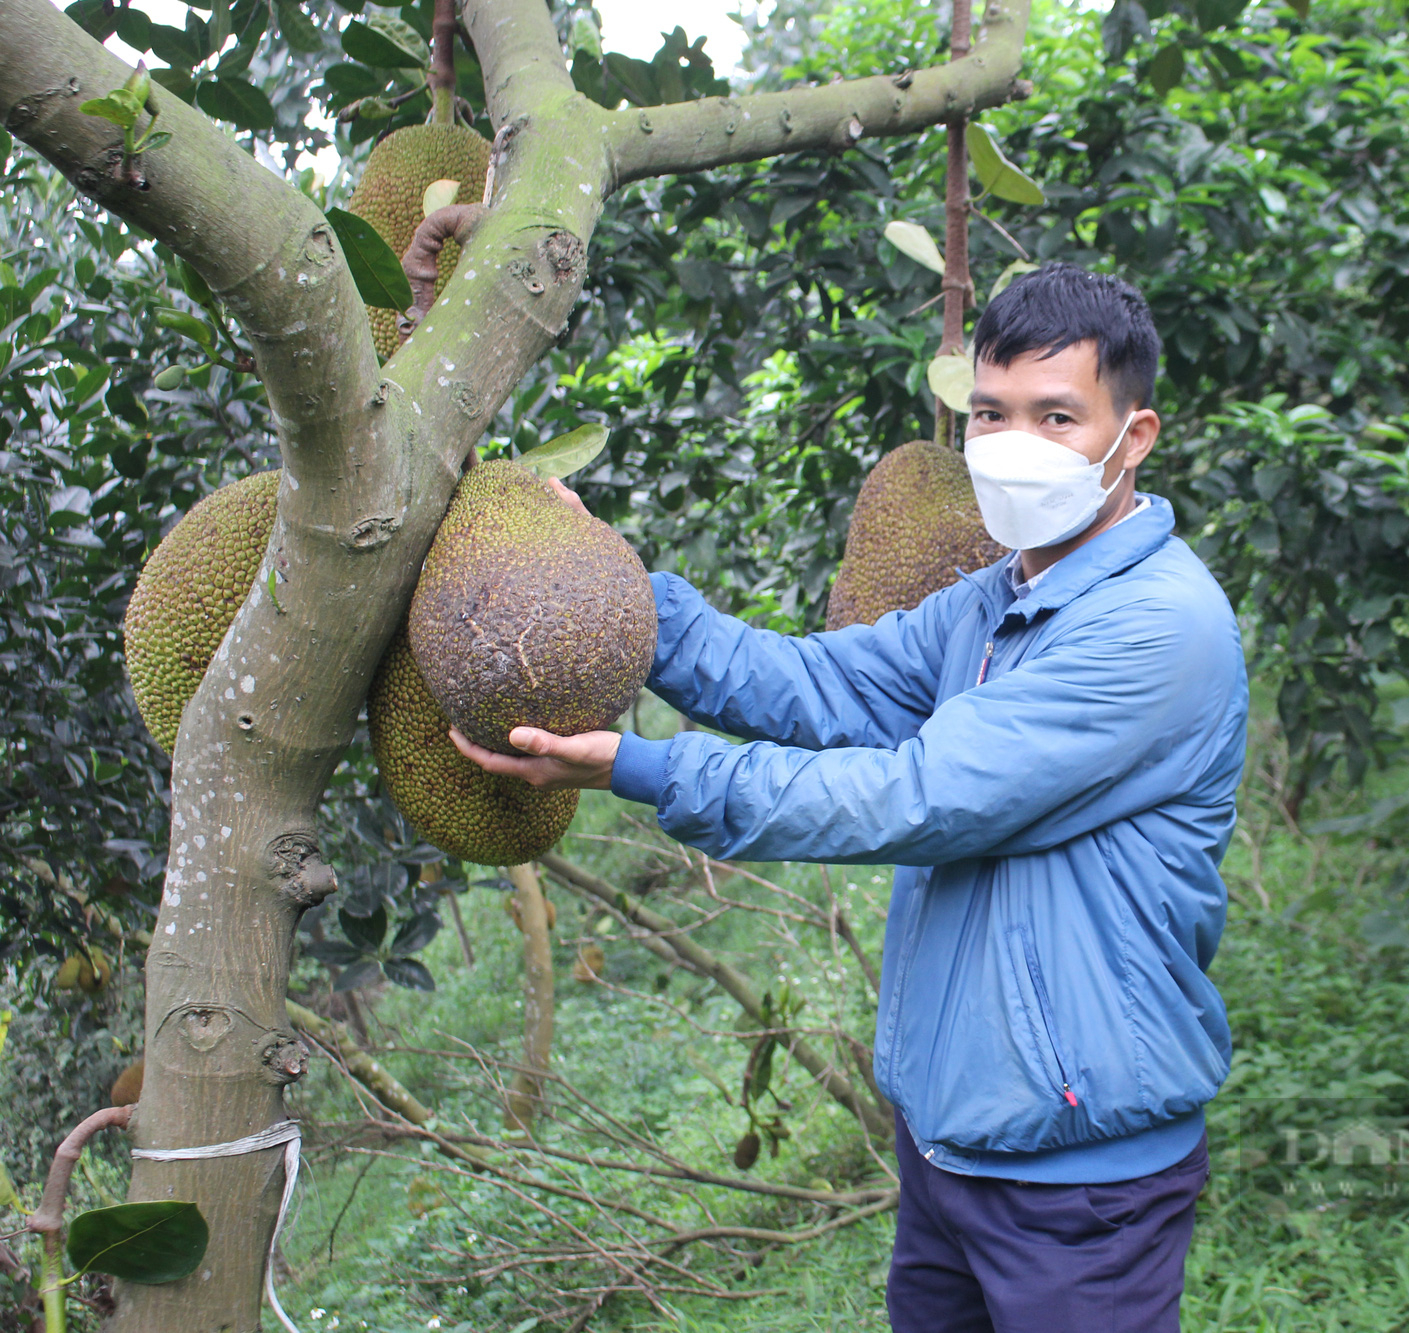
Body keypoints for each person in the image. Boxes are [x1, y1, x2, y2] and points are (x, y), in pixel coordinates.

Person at [452, 263, 1249, 1332]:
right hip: (948, 1143)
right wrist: (613, 589)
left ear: (1133, 434)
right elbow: (821, 684)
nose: (1015, 445)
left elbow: (916, 797)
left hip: (1080, 1177)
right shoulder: (992, 601)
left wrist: (638, 766)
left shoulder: (1153, 628)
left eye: (1056, 416)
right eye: (991, 415)